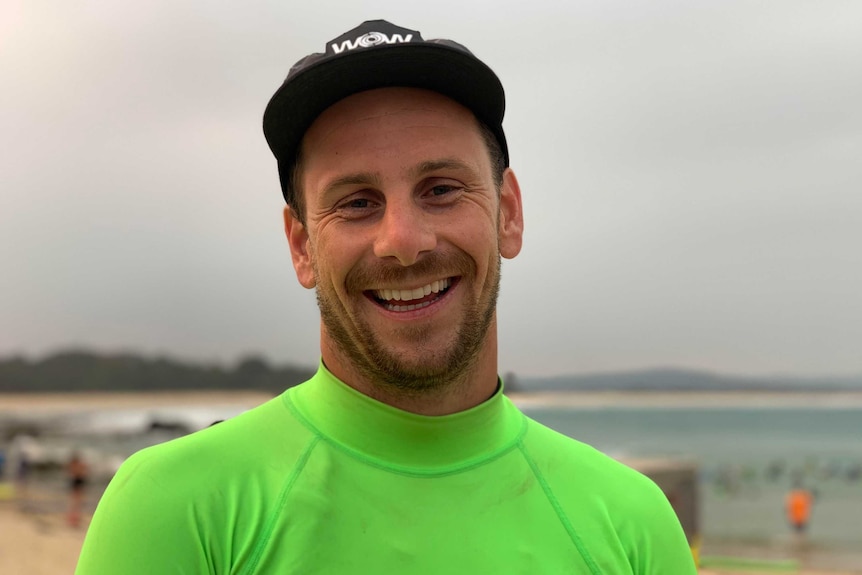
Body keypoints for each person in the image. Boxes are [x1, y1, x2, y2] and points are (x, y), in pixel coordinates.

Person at [76, 20, 696, 573]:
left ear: (508, 213)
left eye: (442, 189)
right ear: (301, 246)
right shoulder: (176, 508)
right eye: (356, 203)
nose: (403, 241)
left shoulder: (632, 525)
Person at [67, 451, 90, 528]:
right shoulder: (78, 466)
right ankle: (74, 519)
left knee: (76, 502)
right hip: (77, 482)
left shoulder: (75, 466)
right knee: (76, 502)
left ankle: (74, 519)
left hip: (77, 482)